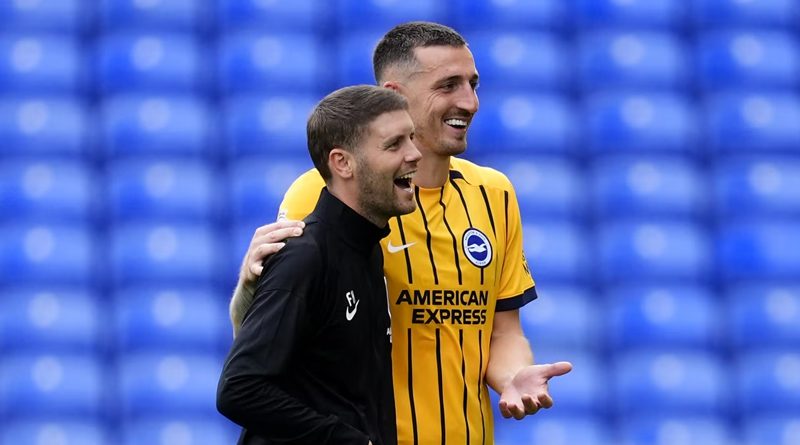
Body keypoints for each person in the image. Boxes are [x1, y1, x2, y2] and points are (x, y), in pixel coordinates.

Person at [229, 22, 573, 444]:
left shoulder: (495, 194)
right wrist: (249, 286)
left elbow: (503, 330)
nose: (470, 101)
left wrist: (514, 375)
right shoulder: (323, 196)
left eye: (473, 83)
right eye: (448, 85)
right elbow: (264, 341)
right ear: (395, 95)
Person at [217, 85, 421, 445]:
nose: (415, 154)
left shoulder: (368, 248)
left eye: (412, 138)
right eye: (395, 145)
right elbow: (240, 388)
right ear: (342, 163)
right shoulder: (305, 255)